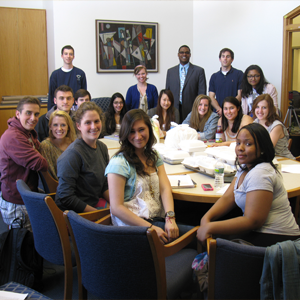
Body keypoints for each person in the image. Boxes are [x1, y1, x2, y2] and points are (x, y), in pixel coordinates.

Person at [197, 123, 300, 247]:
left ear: (262, 148)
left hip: (278, 239)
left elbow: (253, 220)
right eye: (238, 143)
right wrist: (205, 219)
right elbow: (228, 198)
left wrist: (210, 227)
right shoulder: (245, 167)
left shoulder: (260, 172)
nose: (240, 148)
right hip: (261, 233)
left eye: (248, 144)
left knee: (215, 243)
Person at [105, 109, 195, 245]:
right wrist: (151, 228)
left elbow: (165, 188)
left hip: (154, 218)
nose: (137, 136)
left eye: (141, 129)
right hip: (134, 227)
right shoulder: (119, 162)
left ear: (149, 129)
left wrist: (170, 218)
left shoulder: (153, 156)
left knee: (198, 223)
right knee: (197, 236)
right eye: (131, 131)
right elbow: (116, 208)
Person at [0, 97, 48, 230]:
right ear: (17, 114)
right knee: (21, 245)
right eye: (28, 113)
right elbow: (40, 163)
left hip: (26, 192)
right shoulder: (13, 136)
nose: (33, 118)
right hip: (16, 201)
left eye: (36, 114)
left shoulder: (26, 132)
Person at [55, 102, 109, 213]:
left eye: (96, 121)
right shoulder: (73, 154)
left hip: (93, 203)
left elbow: (104, 185)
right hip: (75, 213)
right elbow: (66, 197)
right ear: (78, 126)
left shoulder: (102, 147)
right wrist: (96, 213)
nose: (94, 126)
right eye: (88, 123)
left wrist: (118, 205)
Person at [166, 45, 206, 122]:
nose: (184, 54)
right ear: (178, 54)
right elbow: (167, 92)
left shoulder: (199, 71)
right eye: (182, 52)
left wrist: (199, 108)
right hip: (173, 109)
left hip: (192, 109)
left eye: (187, 53)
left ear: (190, 55)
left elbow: (202, 93)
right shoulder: (170, 71)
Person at [252, 94, 294, 159]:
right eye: (257, 107)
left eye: (264, 107)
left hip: (284, 161)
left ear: (270, 109)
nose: (260, 111)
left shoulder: (277, 126)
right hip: (267, 159)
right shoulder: (255, 122)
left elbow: (267, 149)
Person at [39, 110, 76, 181]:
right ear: (50, 127)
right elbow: (51, 177)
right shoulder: (46, 146)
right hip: (60, 188)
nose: (59, 129)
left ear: (68, 127)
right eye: (55, 125)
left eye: (63, 125)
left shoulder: (74, 143)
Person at [48, 45, 87, 110]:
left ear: (73, 57)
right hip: (60, 109)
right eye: (66, 54)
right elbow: (51, 96)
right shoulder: (55, 75)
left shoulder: (80, 74)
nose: (68, 56)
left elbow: (83, 95)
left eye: (70, 54)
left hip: (76, 110)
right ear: (62, 56)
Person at [209, 48, 243, 116]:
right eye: (223, 56)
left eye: (228, 56)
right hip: (218, 113)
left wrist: (228, 110)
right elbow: (211, 97)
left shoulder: (239, 74)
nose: (225, 58)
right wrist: (220, 109)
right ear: (220, 59)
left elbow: (240, 95)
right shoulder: (214, 76)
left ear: (232, 59)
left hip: (233, 113)